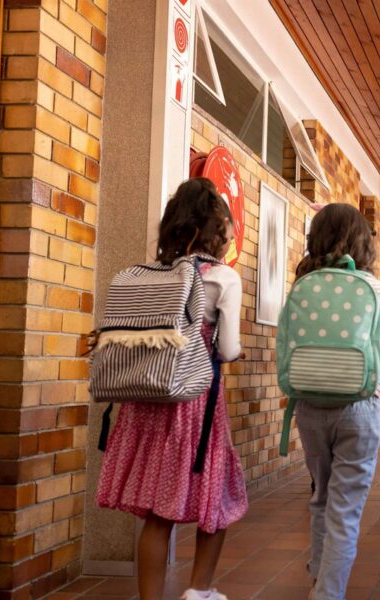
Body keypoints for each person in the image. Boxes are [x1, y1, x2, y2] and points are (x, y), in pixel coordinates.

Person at [97, 178, 247, 600]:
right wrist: (233, 353)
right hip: (194, 403)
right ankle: (198, 593)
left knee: (157, 515)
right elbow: (229, 348)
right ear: (215, 232)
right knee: (214, 503)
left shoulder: (150, 274)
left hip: (144, 401)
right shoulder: (221, 278)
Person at [290, 203, 380, 600]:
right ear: (364, 241)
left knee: (321, 495)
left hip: (307, 405)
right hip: (359, 408)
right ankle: (327, 593)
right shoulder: (377, 290)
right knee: (345, 508)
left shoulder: (303, 282)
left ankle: (319, 577)